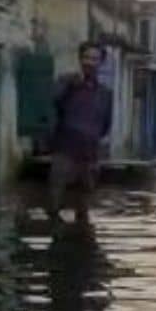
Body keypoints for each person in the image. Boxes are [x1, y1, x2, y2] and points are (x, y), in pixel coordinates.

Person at [48, 42, 114, 225]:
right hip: (65, 150)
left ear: (101, 63)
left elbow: (106, 124)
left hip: (89, 154)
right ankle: (56, 245)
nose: (90, 63)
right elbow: (53, 101)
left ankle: (83, 244)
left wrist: (93, 140)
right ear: (80, 60)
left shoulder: (105, 94)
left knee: (84, 205)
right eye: (86, 58)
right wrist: (69, 85)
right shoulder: (66, 83)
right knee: (55, 201)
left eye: (94, 59)